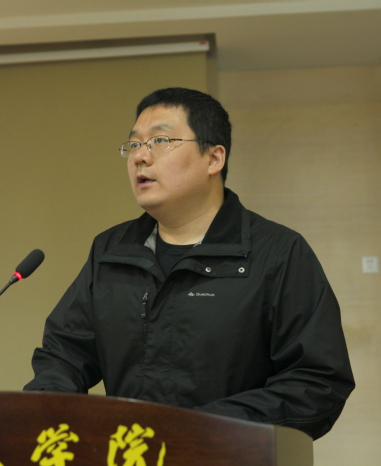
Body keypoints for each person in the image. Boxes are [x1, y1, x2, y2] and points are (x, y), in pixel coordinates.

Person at [24, 87, 355, 440]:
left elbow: (317, 382)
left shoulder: (278, 253)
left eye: (160, 141)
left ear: (214, 158)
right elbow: (64, 352)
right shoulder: (112, 250)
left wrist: (201, 429)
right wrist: (48, 412)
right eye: (134, 144)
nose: (140, 157)